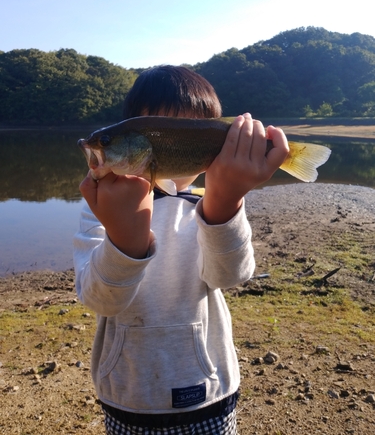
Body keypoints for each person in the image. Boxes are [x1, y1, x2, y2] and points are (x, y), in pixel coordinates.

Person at [73, 65, 289, 435]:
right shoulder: (100, 206)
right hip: (128, 397)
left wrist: (224, 204)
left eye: (192, 132)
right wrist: (124, 238)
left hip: (209, 395)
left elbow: (231, 275)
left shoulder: (213, 203)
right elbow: (99, 299)